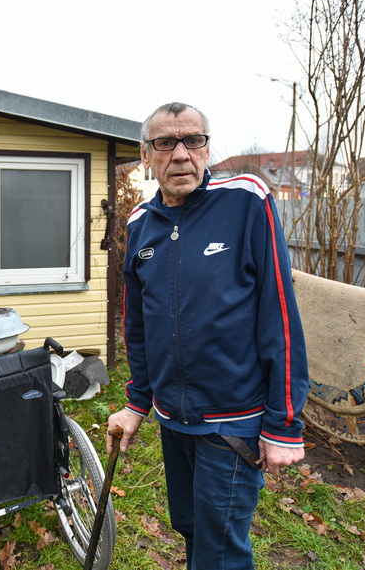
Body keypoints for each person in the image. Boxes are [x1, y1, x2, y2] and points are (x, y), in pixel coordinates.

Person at [106, 102, 309, 570]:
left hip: (232, 423)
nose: (180, 154)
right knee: (193, 530)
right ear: (145, 154)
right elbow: (137, 326)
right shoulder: (140, 225)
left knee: (221, 551)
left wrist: (283, 424)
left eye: (192, 141)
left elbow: (279, 314)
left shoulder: (246, 200)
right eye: (165, 143)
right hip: (174, 420)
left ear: (207, 148)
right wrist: (139, 403)